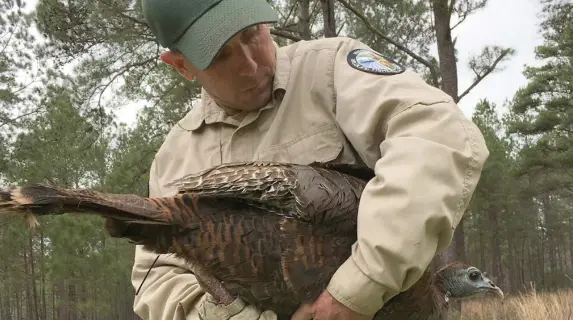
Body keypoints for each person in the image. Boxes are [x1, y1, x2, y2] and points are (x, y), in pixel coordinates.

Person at [131, 0, 490, 319]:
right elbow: (159, 281)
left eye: (252, 32)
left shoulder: (332, 71)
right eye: (221, 54)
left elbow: (439, 133)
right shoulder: (174, 158)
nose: (252, 63)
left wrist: (359, 287)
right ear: (181, 65)